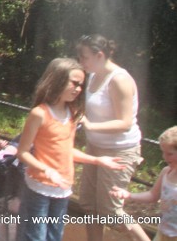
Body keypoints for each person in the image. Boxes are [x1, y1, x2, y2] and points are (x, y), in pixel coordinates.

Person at [16, 57, 124, 241]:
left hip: (63, 186)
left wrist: (97, 160)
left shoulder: (72, 114)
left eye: (81, 85)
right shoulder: (39, 114)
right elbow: (23, 152)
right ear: (57, 80)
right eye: (74, 83)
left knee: (55, 236)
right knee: (35, 236)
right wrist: (46, 169)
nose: (78, 89)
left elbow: (66, 150)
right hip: (40, 187)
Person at [76, 34, 149, 241]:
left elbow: (125, 122)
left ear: (99, 55)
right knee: (89, 204)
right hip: (95, 147)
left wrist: (91, 125)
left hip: (119, 150)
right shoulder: (92, 75)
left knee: (110, 210)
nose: (81, 62)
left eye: (84, 57)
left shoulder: (119, 80)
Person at [111, 126, 177, 241]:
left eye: (169, 154)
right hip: (163, 232)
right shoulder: (166, 172)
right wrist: (129, 195)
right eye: (163, 152)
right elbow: (153, 195)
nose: (164, 157)